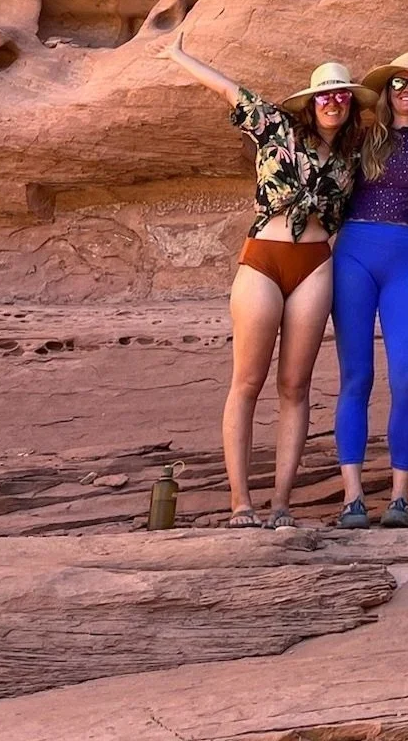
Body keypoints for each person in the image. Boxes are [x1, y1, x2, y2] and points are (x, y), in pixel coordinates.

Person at [158, 32, 373, 529]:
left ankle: (280, 503)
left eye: (342, 95)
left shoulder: (351, 157)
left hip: (315, 265)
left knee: (295, 387)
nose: (334, 102)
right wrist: (178, 55)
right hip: (263, 260)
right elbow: (230, 91)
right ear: (311, 101)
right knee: (248, 382)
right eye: (326, 94)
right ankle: (240, 501)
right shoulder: (276, 127)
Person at [332, 53, 408, 529]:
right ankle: (353, 495)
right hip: (355, 255)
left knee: (406, 376)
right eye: (399, 83)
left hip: (405, 255)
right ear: (387, 93)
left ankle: (400, 497)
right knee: (356, 376)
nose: (407, 90)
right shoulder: (362, 139)